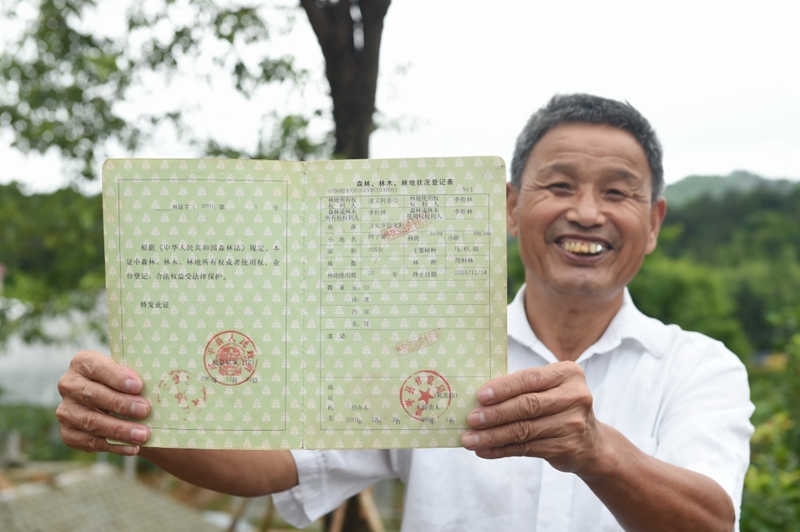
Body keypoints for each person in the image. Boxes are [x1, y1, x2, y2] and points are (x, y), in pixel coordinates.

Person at [56, 93, 754, 531]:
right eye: (560, 185)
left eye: (619, 192)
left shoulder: (698, 367)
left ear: (653, 222)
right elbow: (274, 464)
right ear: (511, 207)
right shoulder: (419, 347)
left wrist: (597, 452)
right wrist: (134, 420)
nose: (587, 212)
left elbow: (711, 520)